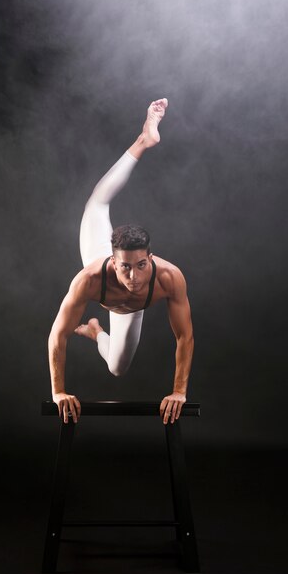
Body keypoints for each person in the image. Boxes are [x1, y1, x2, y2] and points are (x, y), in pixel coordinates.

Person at [48, 98, 194, 425]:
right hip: (100, 253)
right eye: (124, 267)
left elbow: (184, 337)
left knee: (116, 367)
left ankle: (97, 331)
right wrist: (59, 391)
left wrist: (179, 392)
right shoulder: (89, 279)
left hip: (127, 309)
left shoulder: (169, 278)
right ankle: (144, 140)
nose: (133, 275)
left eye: (140, 265)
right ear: (114, 263)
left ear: (150, 259)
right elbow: (57, 334)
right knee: (97, 204)